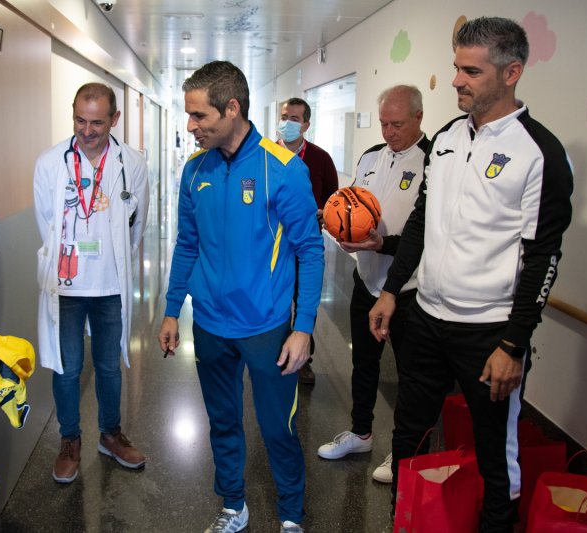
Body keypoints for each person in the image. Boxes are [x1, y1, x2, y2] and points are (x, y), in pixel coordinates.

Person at [369, 17, 573, 531]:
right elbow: (420, 220)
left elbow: (543, 257)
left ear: (511, 73)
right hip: (426, 319)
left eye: (471, 70)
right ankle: (406, 519)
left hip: (490, 334)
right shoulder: (444, 138)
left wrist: (514, 344)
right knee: (408, 435)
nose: (457, 80)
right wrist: (393, 291)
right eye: (456, 67)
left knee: (494, 455)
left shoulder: (540, 153)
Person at [158, 61, 324, 533]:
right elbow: (187, 244)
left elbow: (310, 251)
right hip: (210, 324)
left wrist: (304, 327)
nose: (191, 127)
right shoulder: (194, 172)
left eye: (199, 116)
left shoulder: (283, 170)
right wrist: (172, 311)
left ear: (232, 109)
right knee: (223, 423)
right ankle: (234, 505)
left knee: (277, 429)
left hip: (268, 327)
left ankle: (292, 514)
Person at [34, 83, 150, 484]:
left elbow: (137, 223)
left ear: (114, 120)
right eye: (80, 121)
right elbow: (45, 224)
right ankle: (69, 440)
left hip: (110, 285)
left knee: (108, 366)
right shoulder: (50, 162)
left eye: (97, 123)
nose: (87, 131)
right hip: (65, 285)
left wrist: (113, 262)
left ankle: (111, 434)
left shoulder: (131, 163)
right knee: (66, 369)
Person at [317, 85, 428, 485]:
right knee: (363, 364)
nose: (388, 131)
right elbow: (351, 206)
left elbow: (428, 233)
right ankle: (361, 433)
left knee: (410, 376)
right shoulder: (369, 157)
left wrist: (385, 244)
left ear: (418, 117)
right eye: (383, 123)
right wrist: (332, 219)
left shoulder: (433, 162)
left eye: (397, 124)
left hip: (409, 291)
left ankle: (405, 449)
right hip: (366, 282)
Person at [277, 98, 339, 385]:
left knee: (304, 300)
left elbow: (332, 200)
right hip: (273, 245)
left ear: (306, 124)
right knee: (276, 301)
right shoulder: (266, 155)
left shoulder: (321, 159)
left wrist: (322, 212)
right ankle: (275, 352)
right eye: (284, 116)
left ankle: (303, 358)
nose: (287, 123)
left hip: (305, 243)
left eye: (294, 118)